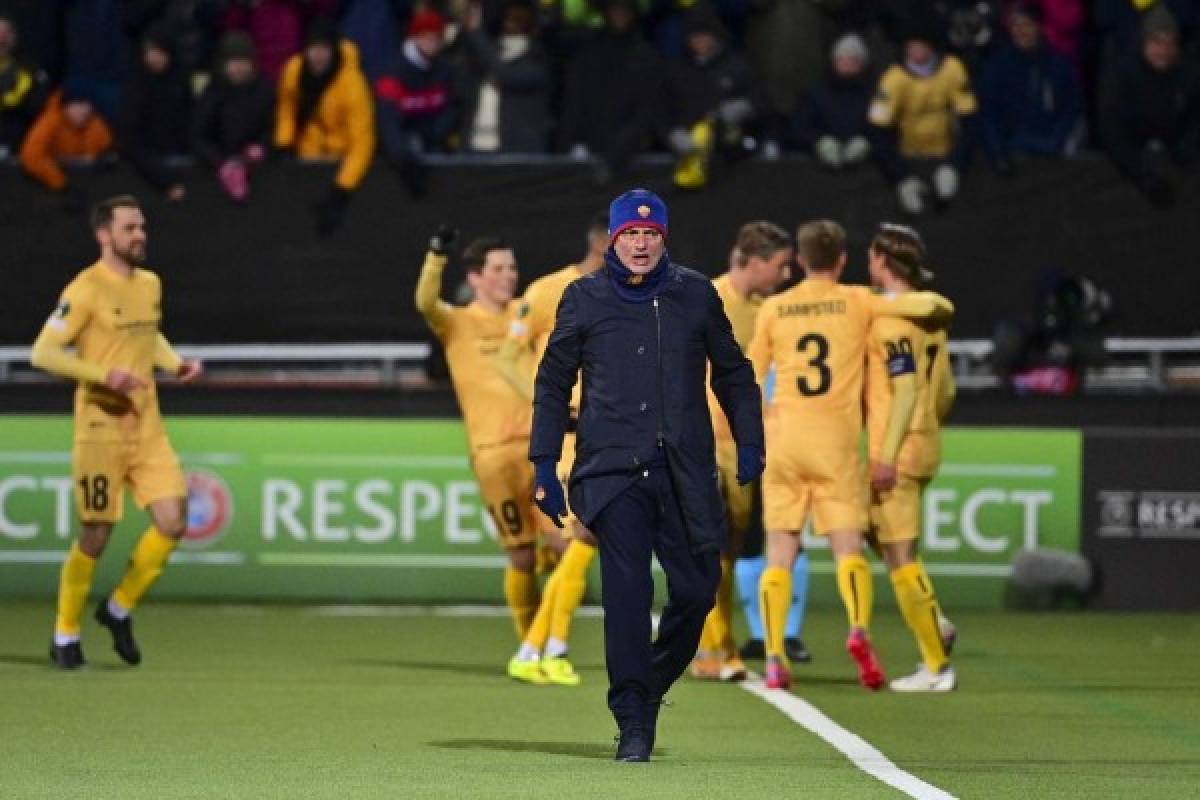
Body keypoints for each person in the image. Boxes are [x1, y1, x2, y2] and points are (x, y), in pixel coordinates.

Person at [530, 188, 764, 762]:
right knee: (628, 595)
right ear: (613, 240)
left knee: (698, 589)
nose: (640, 243)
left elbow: (733, 373)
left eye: (650, 233)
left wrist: (751, 439)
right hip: (612, 471)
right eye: (630, 234)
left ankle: (650, 682)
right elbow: (553, 382)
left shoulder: (695, 294)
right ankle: (633, 715)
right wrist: (543, 465)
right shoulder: (582, 298)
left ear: (664, 238)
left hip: (682, 471)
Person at [748, 219, 952, 691]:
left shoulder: (774, 307)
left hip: (784, 438)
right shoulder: (859, 301)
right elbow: (925, 306)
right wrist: (941, 303)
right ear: (841, 260)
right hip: (834, 443)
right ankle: (859, 628)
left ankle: (774, 654)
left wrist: (759, 425)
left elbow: (749, 375)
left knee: (779, 550)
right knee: (848, 548)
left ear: (800, 259)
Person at [30, 194, 203, 670]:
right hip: (100, 427)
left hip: (146, 426)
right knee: (97, 534)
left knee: (173, 522)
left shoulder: (150, 284)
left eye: (142, 226)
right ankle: (65, 634)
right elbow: (43, 353)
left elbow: (147, 335)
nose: (140, 235)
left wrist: (175, 363)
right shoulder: (85, 289)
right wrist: (104, 376)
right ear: (104, 235)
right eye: (130, 228)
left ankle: (118, 608)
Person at [415, 230, 553, 647]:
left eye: (512, 267)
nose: (509, 275)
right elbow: (425, 302)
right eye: (498, 268)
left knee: (567, 541)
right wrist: (436, 257)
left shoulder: (525, 315)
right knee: (522, 556)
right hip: (492, 454)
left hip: (542, 448)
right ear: (475, 277)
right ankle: (530, 643)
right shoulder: (457, 322)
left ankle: (551, 639)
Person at [499, 212, 608, 686]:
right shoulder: (549, 291)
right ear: (604, 243)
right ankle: (543, 648)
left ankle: (538, 650)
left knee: (583, 541)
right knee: (578, 539)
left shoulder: (627, 295)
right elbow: (508, 357)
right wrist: (548, 402)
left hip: (605, 435)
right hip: (565, 437)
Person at [691, 220, 792, 683]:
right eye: (779, 266)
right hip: (701, 444)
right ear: (754, 262)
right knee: (707, 547)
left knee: (728, 553)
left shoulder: (768, 312)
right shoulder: (703, 300)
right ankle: (722, 650)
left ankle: (707, 648)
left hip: (742, 447)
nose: (785, 276)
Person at [863, 223, 958, 692]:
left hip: (897, 447)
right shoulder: (930, 319)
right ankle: (935, 621)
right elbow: (946, 390)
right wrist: (927, 425)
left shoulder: (893, 322)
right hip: (921, 438)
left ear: (883, 260)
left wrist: (888, 453)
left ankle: (936, 665)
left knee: (901, 554)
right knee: (869, 529)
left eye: (871, 255)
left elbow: (905, 392)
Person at [274, 17, 375, 234]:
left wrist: (343, 188)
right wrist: (283, 144)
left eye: (324, 49)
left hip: (341, 161)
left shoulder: (353, 84)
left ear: (333, 50)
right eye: (313, 48)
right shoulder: (294, 70)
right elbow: (287, 109)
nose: (318, 55)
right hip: (305, 160)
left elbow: (362, 142)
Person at [869, 21, 979, 215]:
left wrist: (955, 166)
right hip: (908, 156)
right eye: (911, 46)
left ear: (932, 46)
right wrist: (901, 176)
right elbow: (878, 129)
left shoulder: (952, 68)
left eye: (921, 45)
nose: (916, 51)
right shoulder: (893, 77)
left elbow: (970, 119)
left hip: (946, 153)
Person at [1098, 6, 1200, 207]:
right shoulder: (1120, 75)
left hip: (1177, 167)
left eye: (1169, 43)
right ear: (1144, 42)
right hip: (1130, 168)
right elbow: (1110, 127)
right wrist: (1140, 170)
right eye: (1157, 42)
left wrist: (1183, 150)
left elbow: (1196, 119)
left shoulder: (1188, 75)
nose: (1163, 51)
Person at [978, 3, 1081, 175]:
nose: (1021, 31)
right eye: (1015, 25)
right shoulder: (997, 66)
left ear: (1039, 27)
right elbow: (989, 113)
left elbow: (1070, 110)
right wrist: (998, 152)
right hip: (1010, 152)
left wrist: (1055, 142)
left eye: (1027, 25)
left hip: (1051, 153)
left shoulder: (1059, 64)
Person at [374, 9, 459, 197]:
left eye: (437, 37)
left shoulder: (445, 70)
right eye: (426, 36)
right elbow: (388, 122)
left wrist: (437, 136)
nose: (432, 42)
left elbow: (451, 107)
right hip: (401, 162)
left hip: (434, 151)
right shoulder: (393, 72)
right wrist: (403, 157)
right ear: (415, 37)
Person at [459, 0, 553, 154]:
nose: (510, 24)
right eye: (508, 19)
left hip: (518, 152)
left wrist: (476, 32)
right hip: (477, 147)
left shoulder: (537, 62)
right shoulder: (488, 56)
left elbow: (505, 75)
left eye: (517, 20)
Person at [192, 31, 275, 202]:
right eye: (233, 62)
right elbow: (197, 135)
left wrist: (261, 147)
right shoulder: (212, 92)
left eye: (243, 62)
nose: (239, 68)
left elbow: (273, 127)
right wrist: (221, 162)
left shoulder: (265, 89)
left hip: (258, 172)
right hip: (215, 173)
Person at [118, 24, 192, 201]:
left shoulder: (181, 80)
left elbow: (191, 124)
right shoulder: (136, 84)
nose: (153, 57)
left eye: (159, 51)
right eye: (149, 51)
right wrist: (166, 180)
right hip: (146, 168)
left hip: (180, 159)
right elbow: (130, 139)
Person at [19, 81, 112, 208]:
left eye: (87, 105)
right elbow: (31, 156)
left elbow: (109, 151)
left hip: (89, 186)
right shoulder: (50, 122)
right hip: (54, 185)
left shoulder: (95, 124)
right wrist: (61, 183)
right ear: (66, 105)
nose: (84, 110)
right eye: (78, 104)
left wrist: (101, 161)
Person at [0, 15, 45, 158]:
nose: (1, 40)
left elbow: (36, 106)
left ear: (13, 37)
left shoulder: (28, 68)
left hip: (15, 133)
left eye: (5, 34)